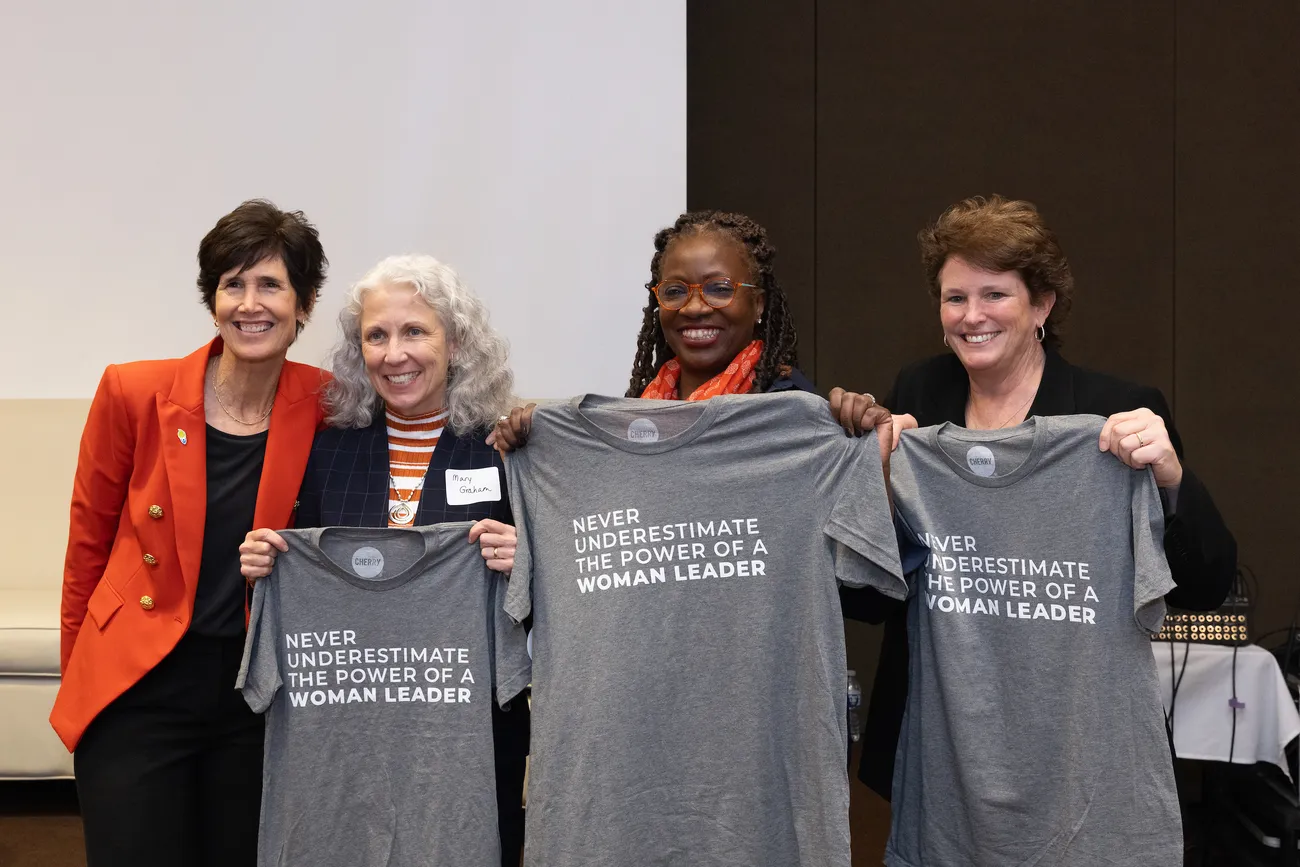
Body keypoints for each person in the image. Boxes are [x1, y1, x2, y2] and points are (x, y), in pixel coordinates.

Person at [832, 194, 1238, 798]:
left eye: (995, 294)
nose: (973, 316)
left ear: (1042, 304)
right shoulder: (919, 392)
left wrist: (1171, 479)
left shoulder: (1112, 412)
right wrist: (878, 485)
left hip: (1064, 738)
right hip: (937, 738)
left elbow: (1205, 589)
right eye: (955, 297)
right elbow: (870, 600)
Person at [52, 200, 329, 867]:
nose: (250, 303)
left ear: (304, 304)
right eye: (232, 284)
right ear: (212, 300)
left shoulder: (330, 403)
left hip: (257, 696)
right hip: (139, 687)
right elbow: (86, 548)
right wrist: (80, 682)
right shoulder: (133, 391)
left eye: (270, 284)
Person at [238, 254, 527, 866]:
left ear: (457, 342)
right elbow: (302, 578)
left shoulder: (509, 450)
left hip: (464, 731)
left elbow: (556, 600)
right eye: (377, 335)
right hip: (351, 725)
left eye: (415, 331)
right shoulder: (329, 448)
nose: (394, 354)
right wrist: (267, 561)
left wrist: (527, 562)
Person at [493, 209, 890, 444]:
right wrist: (533, 442)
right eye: (676, 290)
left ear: (759, 304)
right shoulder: (635, 412)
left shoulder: (794, 413)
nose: (695, 307)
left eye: (720, 289)